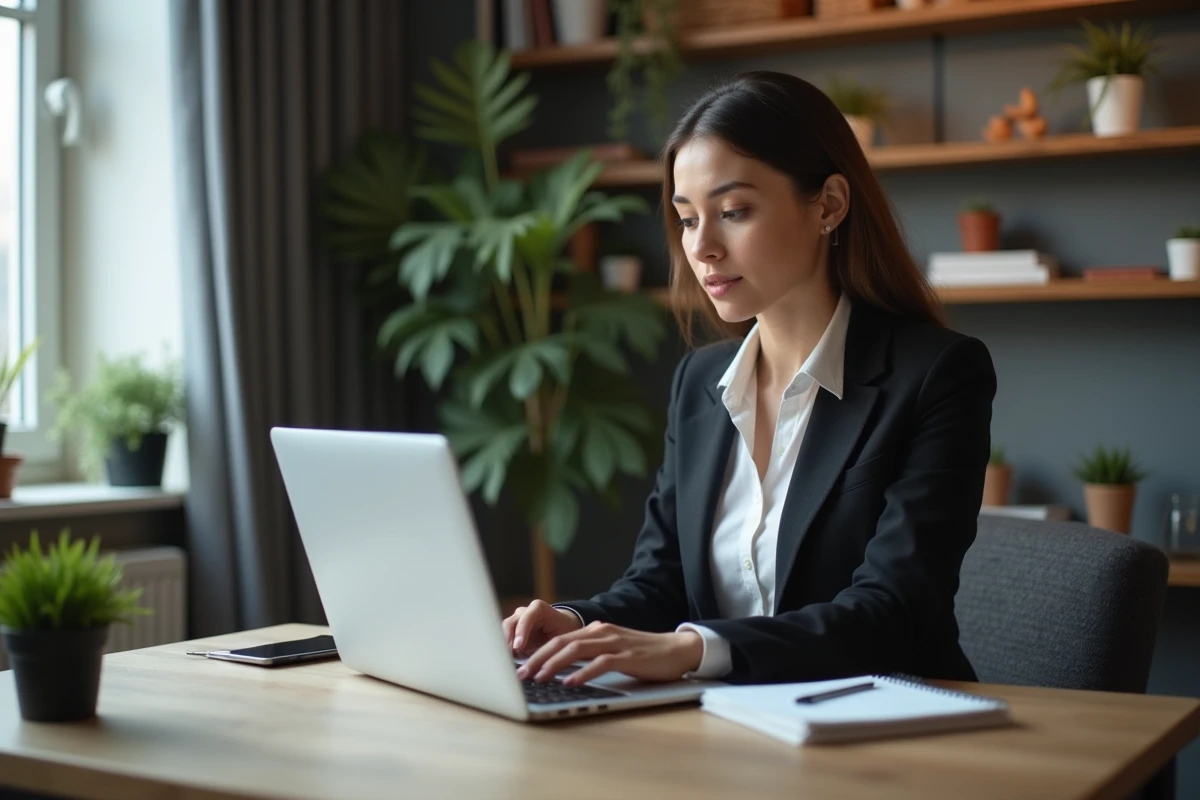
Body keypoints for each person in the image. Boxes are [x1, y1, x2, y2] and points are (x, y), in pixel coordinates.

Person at [503, 71, 996, 687]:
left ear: (829, 205)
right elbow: (660, 584)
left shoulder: (937, 375)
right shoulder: (700, 381)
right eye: (686, 219)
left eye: (733, 211)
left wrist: (691, 650)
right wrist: (573, 621)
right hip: (731, 727)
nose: (702, 247)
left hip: (885, 728)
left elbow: (890, 614)